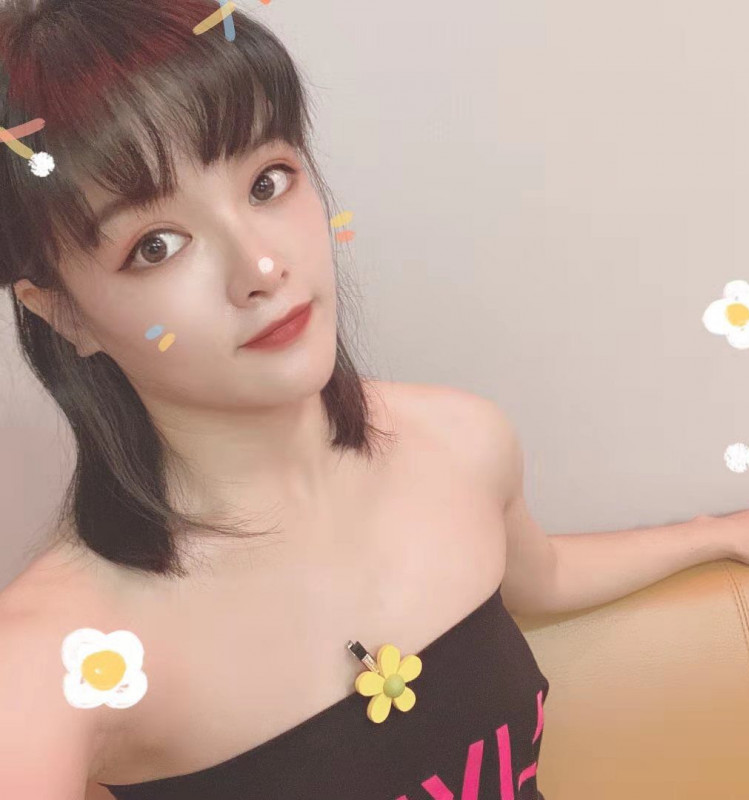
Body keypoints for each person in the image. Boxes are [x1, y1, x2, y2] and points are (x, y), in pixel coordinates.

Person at [0, 2, 550, 799]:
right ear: (65, 315)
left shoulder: (461, 440)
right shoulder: (59, 658)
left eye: (267, 182)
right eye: (155, 245)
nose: (259, 266)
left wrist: (715, 535)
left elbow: (546, 578)